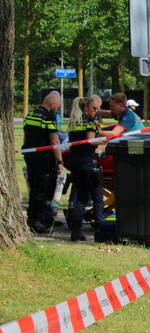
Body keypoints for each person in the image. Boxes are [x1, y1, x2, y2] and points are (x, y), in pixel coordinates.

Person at [64, 96, 105, 241]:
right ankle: (101, 231)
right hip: (89, 163)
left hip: (75, 162)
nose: (96, 111)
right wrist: (104, 141)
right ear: (86, 107)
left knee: (80, 199)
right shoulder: (90, 121)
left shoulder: (74, 122)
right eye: (94, 108)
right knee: (97, 198)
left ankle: (75, 231)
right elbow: (91, 141)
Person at [22, 91, 64, 233]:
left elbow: (26, 136)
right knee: (45, 190)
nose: (57, 109)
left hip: (30, 156)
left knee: (34, 188)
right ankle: (42, 221)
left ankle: (33, 218)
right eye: (57, 106)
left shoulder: (30, 115)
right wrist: (59, 161)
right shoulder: (49, 117)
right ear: (52, 103)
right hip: (44, 159)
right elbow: (55, 141)